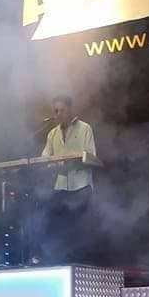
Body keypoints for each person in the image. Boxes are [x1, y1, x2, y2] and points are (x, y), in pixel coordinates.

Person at [35, 94, 97, 265]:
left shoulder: (85, 128)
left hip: (81, 185)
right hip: (61, 185)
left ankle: (79, 264)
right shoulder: (52, 134)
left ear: (70, 110)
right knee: (57, 225)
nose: (58, 114)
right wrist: (46, 164)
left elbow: (90, 156)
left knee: (77, 227)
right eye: (56, 111)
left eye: (62, 110)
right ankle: (58, 262)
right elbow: (45, 158)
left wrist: (66, 162)